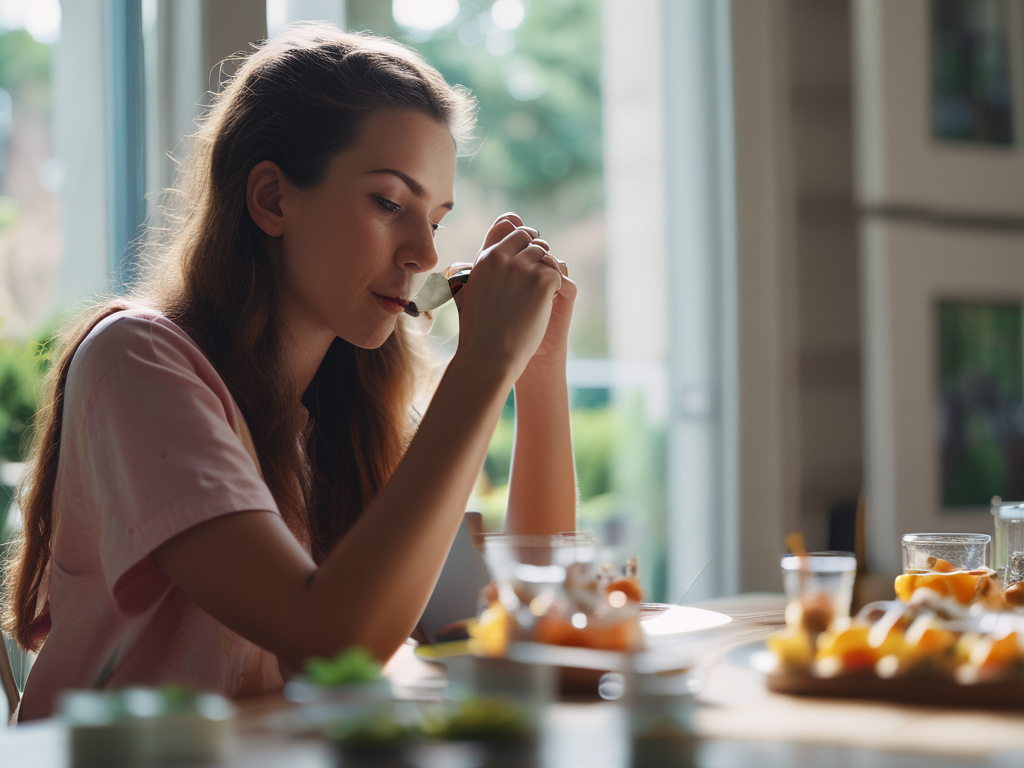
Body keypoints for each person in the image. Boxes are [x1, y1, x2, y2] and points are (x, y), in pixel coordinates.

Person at [3, 24, 577, 721]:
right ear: (273, 199)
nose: (425, 254)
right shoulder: (137, 362)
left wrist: (538, 370)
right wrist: (483, 364)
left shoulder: (346, 410)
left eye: (435, 220)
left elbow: (520, 617)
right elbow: (327, 644)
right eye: (389, 203)